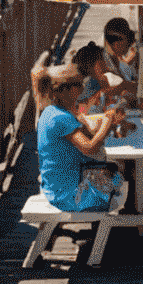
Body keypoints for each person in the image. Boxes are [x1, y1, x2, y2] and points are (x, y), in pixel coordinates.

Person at [31, 63, 127, 214]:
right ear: (60, 91)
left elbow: (85, 134)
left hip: (56, 188)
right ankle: (133, 223)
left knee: (115, 172)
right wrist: (108, 122)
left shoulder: (52, 111)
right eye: (77, 85)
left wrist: (106, 121)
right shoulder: (60, 118)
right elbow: (90, 148)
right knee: (123, 178)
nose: (82, 88)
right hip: (70, 195)